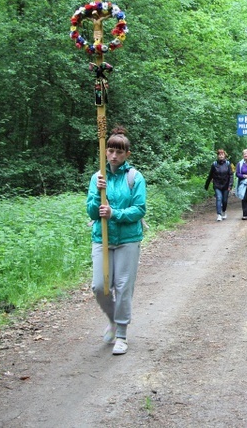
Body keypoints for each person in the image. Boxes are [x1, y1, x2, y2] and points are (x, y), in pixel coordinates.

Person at [86, 126, 147, 356]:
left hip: (128, 239)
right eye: (110, 150)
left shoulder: (135, 177)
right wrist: (96, 194)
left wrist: (115, 214)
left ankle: (121, 333)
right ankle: (112, 320)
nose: (114, 156)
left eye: (119, 152)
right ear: (105, 152)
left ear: (127, 154)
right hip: (102, 237)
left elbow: (139, 209)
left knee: (123, 286)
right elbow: (92, 212)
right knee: (100, 286)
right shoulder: (97, 178)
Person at [204, 149, 233, 221]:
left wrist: (230, 185)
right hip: (217, 185)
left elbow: (231, 175)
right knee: (219, 198)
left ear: (224, 155)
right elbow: (210, 176)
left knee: (225, 200)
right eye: (219, 154)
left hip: (226, 185)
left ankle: (224, 211)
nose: (221, 156)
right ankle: (219, 214)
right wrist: (206, 185)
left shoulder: (228, 164)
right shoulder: (214, 164)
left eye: (222, 154)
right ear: (217, 156)